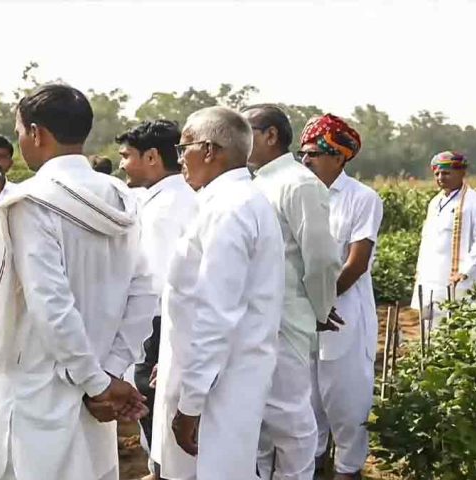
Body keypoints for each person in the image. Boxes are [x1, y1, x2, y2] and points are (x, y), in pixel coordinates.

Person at [0, 84, 156, 480]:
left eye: (20, 131)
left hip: (41, 382)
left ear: (37, 133)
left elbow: (50, 303)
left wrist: (95, 382)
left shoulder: (31, 201)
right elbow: (142, 292)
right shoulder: (119, 195)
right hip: (100, 375)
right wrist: (111, 370)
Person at [151, 106, 285, 480]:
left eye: (184, 148)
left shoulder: (230, 208)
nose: (180, 159)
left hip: (218, 385)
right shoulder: (231, 201)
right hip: (217, 374)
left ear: (209, 150)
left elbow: (216, 313)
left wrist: (191, 402)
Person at [243, 105, 342, 479]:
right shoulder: (257, 182)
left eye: (247, 129)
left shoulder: (298, 183)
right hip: (259, 318)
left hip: (287, 317)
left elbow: (321, 259)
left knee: (292, 423)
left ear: (271, 135)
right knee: (263, 421)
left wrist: (320, 310)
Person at [300, 114, 383, 480]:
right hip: (306, 316)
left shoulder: (362, 199)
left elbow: (357, 263)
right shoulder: (301, 196)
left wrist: (320, 302)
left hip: (343, 315)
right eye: (301, 154)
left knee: (347, 404)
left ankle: (348, 471)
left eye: (313, 154)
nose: (305, 161)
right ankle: (313, 467)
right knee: (308, 402)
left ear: (338, 157)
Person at [115, 119, 198, 480]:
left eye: (126, 156)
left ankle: (165, 469)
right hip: (168, 318)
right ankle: (160, 466)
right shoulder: (174, 196)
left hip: (163, 318)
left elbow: (162, 281)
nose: (121, 165)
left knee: (156, 394)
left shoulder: (166, 208)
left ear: (151, 157)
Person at [411, 151, 476, 326]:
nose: (441, 177)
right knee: (430, 325)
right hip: (432, 276)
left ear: (462, 173)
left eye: (446, 173)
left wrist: (464, 270)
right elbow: (427, 239)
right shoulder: (435, 202)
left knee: (459, 323)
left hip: (460, 276)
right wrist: (420, 268)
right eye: (437, 174)